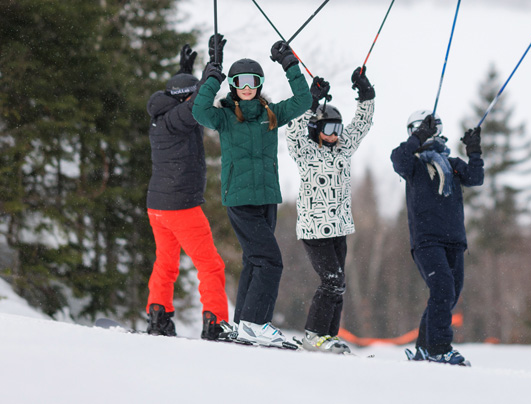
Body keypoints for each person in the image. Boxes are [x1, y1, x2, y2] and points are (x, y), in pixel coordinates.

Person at [191, 34, 310, 348]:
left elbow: (304, 101)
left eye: (252, 81)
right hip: (241, 201)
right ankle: (257, 323)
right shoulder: (226, 117)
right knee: (271, 262)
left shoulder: (271, 115)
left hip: (267, 199)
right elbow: (198, 111)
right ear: (233, 85)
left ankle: (244, 323)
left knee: (256, 261)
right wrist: (212, 75)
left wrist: (290, 63)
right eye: (239, 81)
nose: (246, 86)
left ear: (258, 84)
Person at [145, 43, 233, 340]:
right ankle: (215, 322)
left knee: (165, 262)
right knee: (210, 265)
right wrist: (213, 71)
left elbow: (187, 97)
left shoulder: (163, 115)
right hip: (180, 207)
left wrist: (186, 72)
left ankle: (158, 318)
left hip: (157, 207)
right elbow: (197, 102)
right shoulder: (180, 117)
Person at [285, 67, 376, 353]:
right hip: (315, 228)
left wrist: (366, 93)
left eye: (338, 129)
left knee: (340, 283)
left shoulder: (343, 149)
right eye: (328, 129)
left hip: (339, 227)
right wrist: (311, 101)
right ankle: (313, 335)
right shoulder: (306, 151)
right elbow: (294, 131)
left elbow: (362, 124)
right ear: (317, 129)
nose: (335, 134)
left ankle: (329, 335)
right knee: (331, 279)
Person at [391, 111, 484, 365]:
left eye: (435, 128)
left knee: (448, 295)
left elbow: (476, 178)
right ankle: (439, 347)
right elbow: (397, 158)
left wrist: (474, 151)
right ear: (414, 132)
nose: (433, 133)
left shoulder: (451, 164)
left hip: (454, 240)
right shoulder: (414, 164)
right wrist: (419, 136)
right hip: (426, 241)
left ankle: (424, 347)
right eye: (426, 129)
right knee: (442, 288)